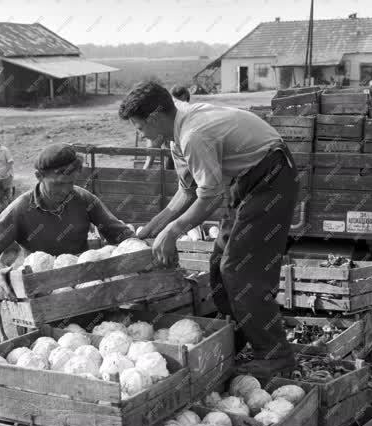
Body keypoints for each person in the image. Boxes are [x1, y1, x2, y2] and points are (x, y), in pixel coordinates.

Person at [119, 82, 298, 378]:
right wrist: (152, 229)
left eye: (139, 127)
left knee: (241, 270)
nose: (140, 134)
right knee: (219, 267)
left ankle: (275, 357)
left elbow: (211, 197)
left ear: (153, 118)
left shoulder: (193, 135)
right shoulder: (175, 136)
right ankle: (239, 342)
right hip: (248, 181)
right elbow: (188, 191)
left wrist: (173, 231)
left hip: (271, 178)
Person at [0, 143, 135, 348]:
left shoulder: (83, 199)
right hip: (43, 301)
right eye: (58, 184)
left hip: (85, 295)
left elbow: (119, 234)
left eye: (71, 183)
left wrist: (138, 244)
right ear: (38, 176)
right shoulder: (21, 209)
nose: (66, 191)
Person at [142, 85, 191, 171]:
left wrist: (148, 164)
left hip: (173, 153)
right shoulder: (185, 111)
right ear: (184, 96)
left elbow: (154, 140)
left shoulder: (162, 109)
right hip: (178, 153)